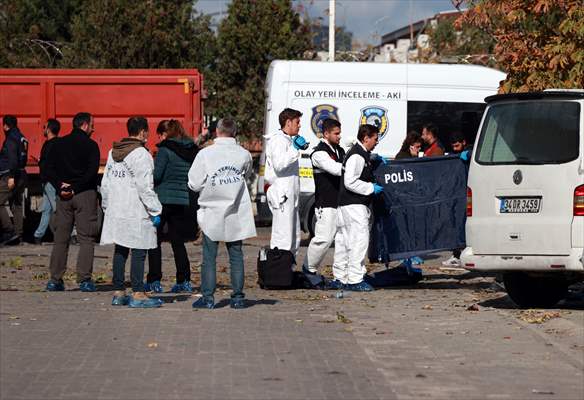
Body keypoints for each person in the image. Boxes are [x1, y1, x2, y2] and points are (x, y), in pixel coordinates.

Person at [188, 118, 256, 309]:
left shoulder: (205, 154)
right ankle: (237, 298)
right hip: (235, 210)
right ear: (234, 133)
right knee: (236, 255)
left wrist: (209, 186)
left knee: (209, 257)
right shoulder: (244, 154)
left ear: (217, 132)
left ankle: (208, 298)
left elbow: (194, 183)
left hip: (212, 210)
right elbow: (247, 174)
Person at [100, 116, 163, 308]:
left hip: (117, 209)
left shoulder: (113, 152)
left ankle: (119, 292)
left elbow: (106, 183)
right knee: (138, 250)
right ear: (143, 132)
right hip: (135, 210)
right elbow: (145, 187)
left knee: (120, 249)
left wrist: (106, 206)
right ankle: (138, 292)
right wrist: (155, 209)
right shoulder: (142, 155)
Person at [44, 112, 100, 292]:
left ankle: (55, 279)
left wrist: (61, 185)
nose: (93, 128)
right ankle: (84, 279)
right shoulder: (91, 146)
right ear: (84, 125)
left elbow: (47, 168)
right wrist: (75, 187)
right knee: (86, 238)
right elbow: (92, 172)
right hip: (84, 194)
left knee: (61, 238)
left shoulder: (58, 144)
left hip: (63, 196)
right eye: (92, 125)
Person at [145, 120, 198, 293]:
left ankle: (154, 280)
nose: (159, 138)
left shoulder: (165, 150)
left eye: (159, 134)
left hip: (163, 200)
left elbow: (157, 175)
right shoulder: (190, 149)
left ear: (165, 134)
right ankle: (184, 280)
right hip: (181, 199)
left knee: (155, 240)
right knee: (178, 241)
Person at [333, 124, 383, 292]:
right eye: (375, 139)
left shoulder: (359, 154)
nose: (376, 142)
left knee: (344, 242)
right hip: (354, 205)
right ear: (366, 138)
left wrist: (373, 160)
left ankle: (341, 277)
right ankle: (355, 278)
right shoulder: (357, 156)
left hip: (346, 205)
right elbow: (350, 181)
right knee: (358, 241)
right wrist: (370, 188)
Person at [301, 118, 345, 288]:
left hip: (339, 202)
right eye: (336, 133)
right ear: (326, 134)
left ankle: (339, 273)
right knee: (323, 239)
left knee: (339, 239)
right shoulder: (319, 153)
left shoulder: (339, 150)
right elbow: (336, 169)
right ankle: (308, 269)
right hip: (325, 202)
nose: (339, 136)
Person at [264, 108, 306, 260]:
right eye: (297, 122)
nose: (299, 125)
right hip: (282, 195)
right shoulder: (278, 140)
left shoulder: (287, 140)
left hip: (290, 194)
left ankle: (288, 269)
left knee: (294, 235)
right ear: (288, 122)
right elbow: (279, 165)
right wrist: (294, 149)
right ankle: (279, 268)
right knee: (283, 235)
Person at [442, 131, 473, 267]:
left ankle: (462, 254)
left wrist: (470, 154)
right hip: (456, 194)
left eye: (457, 146)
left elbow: (476, 154)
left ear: (464, 143)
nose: (455, 149)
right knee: (456, 223)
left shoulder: (470, 151)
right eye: (453, 146)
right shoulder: (454, 155)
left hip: (467, 194)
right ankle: (456, 254)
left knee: (464, 224)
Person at [0, 115, 28, 246]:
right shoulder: (22, 137)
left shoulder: (10, 139)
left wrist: (11, 176)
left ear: (6, 126)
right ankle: (18, 235)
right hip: (22, 174)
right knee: (16, 204)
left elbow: (12, 158)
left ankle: (9, 231)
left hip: (10, 176)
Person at [33, 119, 60, 244]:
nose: (43, 128)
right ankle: (38, 235)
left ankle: (72, 234)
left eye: (44, 126)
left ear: (49, 129)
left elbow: (51, 164)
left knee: (58, 209)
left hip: (51, 181)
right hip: (47, 181)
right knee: (47, 209)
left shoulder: (53, 144)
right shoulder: (49, 144)